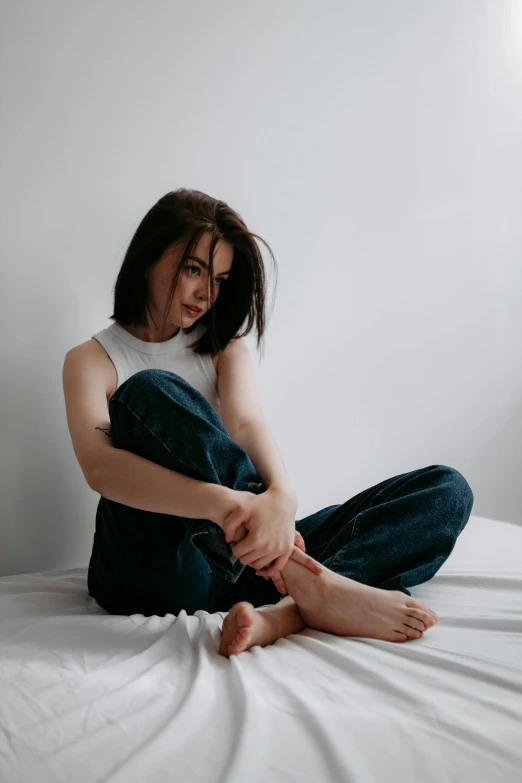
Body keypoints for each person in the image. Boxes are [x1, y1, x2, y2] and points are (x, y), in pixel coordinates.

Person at [62, 188, 474, 658]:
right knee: (148, 391)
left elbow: (246, 424)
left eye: (219, 278)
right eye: (193, 269)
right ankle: (301, 577)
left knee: (445, 491)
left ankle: (288, 611)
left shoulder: (221, 347)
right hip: (153, 569)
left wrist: (281, 497)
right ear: (148, 258)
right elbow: (100, 468)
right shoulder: (91, 360)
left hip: (241, 565)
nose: (206, 293)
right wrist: (226, 504)